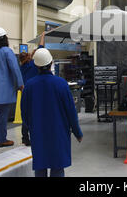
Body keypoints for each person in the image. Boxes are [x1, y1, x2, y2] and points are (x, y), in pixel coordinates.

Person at [21, 48, 83, 177]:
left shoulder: (29, 86)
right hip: (58, 132)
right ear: (51, 63)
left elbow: (24, 113)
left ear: (36, 65)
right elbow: (71, 111)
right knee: (57, 167)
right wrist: (77, 132)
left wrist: (29, 128)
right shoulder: (61, 84)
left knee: (40, 167)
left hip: (38, 133)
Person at [18, 32, 47, 146]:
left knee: (26, 116)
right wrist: (43, 36)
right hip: (35, 93)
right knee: (36, 115)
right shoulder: (34, 65)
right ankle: (36, 136)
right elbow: (41, 49)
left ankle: (25, 138)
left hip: (25, 93)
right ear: (29, 57)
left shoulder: (22, 67)